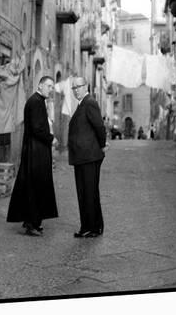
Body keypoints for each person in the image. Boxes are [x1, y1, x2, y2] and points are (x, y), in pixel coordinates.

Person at [7, 76, 59, 236]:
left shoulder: (36, 100)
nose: (51, 90)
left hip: (35, 150)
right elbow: (37, 128)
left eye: (52, 87)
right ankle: (32, 224)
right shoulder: (36, 102)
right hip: (36, 152)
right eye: (49, 86)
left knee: (32, 186)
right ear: (40, 85)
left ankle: (30, 220)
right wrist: (52, 139)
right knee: (37, 186)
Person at [68, 77, 108, 238]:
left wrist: (102, 145)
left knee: (88, 192)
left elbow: (99, 126)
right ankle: (91, 226)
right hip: (83, 157)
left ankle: (92, 227)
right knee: (85, 192)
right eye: (73, 88)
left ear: (86, 87)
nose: (76, 90)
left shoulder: (89, 102)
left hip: (89, 156)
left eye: (78, 86)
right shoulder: (82, 104)